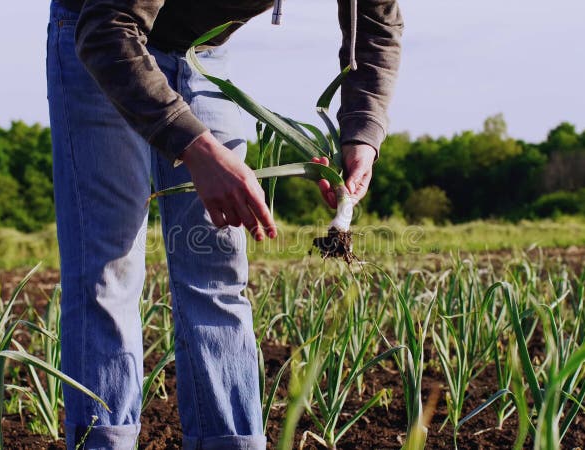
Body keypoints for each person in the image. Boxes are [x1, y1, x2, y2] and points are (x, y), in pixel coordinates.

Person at [46, 0, 402, 448]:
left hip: (201, 53)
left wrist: (363, 134)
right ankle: (105, 441)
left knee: (217, 272)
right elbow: (106, 28)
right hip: (104, 40)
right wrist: (196, 149)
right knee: (108, 270)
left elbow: (377, 20)